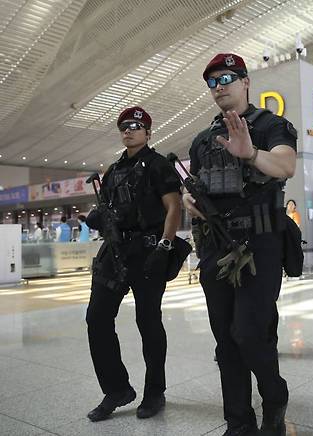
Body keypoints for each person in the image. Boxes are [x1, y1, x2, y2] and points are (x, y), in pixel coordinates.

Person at [182, 53, 297, 436]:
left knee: (249, 331)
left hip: (259, 243)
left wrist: (249, 153)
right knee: (224, 339)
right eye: (212, 82)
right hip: (217, 246)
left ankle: (274, 397)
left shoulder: (271, 126)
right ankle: (238, 420)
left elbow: (285, 166)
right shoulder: (202, 140)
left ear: (246, 81)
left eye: (226, 78)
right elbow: (196, 186)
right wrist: (190, 203)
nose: (219, 87)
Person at [85, 106, 182, 422]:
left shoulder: (157, 165)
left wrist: (165, 247)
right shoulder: (113, 170)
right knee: (97, 317)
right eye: (124, 126)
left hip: (148, 252)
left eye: (136, 126)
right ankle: (117, 390)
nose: (129, 130)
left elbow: (174, 207)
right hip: (114, 251)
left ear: (148, 132)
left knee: (148, 321)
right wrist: (98, 219)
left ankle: (155, 391)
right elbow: (112, 209)